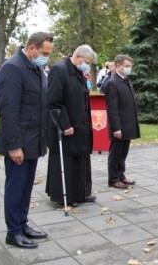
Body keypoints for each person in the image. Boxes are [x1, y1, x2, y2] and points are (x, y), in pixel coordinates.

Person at [0, 32, 53, 249]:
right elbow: (8, 110)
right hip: (18, 143)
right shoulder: (13, 67)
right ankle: (13, 232)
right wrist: (13, 145)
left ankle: (22, 224)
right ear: (32, 48)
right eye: (44, 53)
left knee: (26, 188)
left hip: (33, 141)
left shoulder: (35, 68)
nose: (46, 57)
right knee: (16, 188)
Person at [46, 45, 97, 207]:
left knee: (80, 160)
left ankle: (80, 192)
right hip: (67, 126)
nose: (87, 65)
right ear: (79, 56)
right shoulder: (59, 70)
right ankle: (64, 196)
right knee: (67, 162)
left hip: (80, 125)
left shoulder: (78, 72)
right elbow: (54, 100)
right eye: (87, 62)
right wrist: (65, 124)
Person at [104, 54, 140, 189]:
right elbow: (112, 109)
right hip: (119, 126)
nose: (129, 69)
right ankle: (113, 179)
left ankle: (121, 174)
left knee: (123, 152)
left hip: (128, 124)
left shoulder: (126, 80)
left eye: (130, 66)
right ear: (118, 66)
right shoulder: (112, 82)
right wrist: (116, 128)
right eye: (126, 66)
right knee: (116, 153)